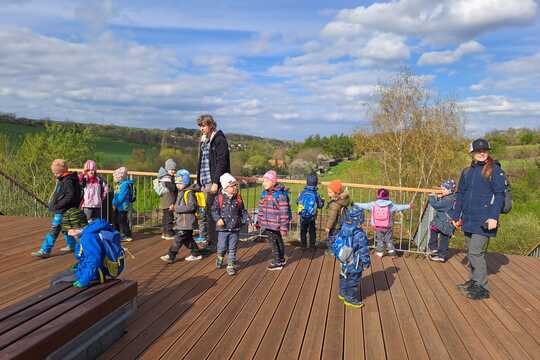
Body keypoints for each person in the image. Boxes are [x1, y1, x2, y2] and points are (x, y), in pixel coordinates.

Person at [450, 138, 506, 300]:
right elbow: (461, 194)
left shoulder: (495, 170)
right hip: (468, 218)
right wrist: (456, 215)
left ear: (488, 152)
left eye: (485, 150)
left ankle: (482, 287)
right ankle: (474, 281)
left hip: (485, 220)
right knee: (472, 251)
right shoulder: (467, 171)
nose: (481, 153)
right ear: (472, 153)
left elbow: (499, 195)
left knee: (475, 253)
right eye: (478, 151)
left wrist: (494, 217)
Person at [50, 208, 123, 288]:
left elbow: (94, 261)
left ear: (76, 226)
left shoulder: (87, 238)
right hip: (92, 268)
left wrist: (83, 281)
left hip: (97, 273)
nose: (68, 233)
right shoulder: (90, 229)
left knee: (56, 281)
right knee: (58, 277)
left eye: (69, 230)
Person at [31, 159, 82, 258]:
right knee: (66, 228)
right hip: (65, 209)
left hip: (63, 210)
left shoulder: (68, 181)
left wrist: (58, 205)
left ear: (61, 172)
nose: (55, 175)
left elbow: (70, 196)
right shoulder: (68, 179)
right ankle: (72, 245)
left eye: (56, 173)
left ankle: (45, 250)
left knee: (54, 230)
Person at [196, 114, 230, 251]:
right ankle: (211, 241)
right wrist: (199, 180)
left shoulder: (219, 140)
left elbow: (222, 162)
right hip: (204, 181)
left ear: (210, 125)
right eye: (200, 126)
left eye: (203, 126)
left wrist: (216, 182)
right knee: (207, 212)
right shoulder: (205, 140)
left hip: (213, 181)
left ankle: (216, 243)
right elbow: (202, 162)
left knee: (214, 212)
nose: (201, 129)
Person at [355, 188, 412, 258]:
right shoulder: (391, 206)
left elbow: (363, 205)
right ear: (387, 196)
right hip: (388, 226)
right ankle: (392, 254)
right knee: (389, 240)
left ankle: (380, 253)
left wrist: (354, 204)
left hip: (377, 226)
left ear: (378, 196)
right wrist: (409, 206)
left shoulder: (373, 204)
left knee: (379, 240)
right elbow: (399, 207)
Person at [332, 205, 371, 308]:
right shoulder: (360, 234)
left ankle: (343, 293)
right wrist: (366, 262)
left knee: (344, 276)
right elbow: (363, 251)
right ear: (360, 219)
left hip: (344, 259)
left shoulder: (343, 228)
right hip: (355, 263)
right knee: (353, 280)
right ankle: (350, 298)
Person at [160, 169, 202, 263]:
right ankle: (196, 253)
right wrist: (174, 206)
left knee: (178, 239)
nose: (178, 185)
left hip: (186, 222)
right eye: (177, 183)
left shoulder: (189, 193)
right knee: (187, 239)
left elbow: (191, 207)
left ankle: (171, 255)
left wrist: (176, 208)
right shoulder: (182, 192)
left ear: (186, 182)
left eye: (180, 183)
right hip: (183, 221)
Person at [211, 173, 248, 276]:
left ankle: (230, 265)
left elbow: (242, 211)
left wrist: (244, 220)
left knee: (232, 249)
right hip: (223, 229)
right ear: (226, 187)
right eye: (233, 186)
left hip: (235, 229)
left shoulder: (238, 198)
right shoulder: (219, 198)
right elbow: (214, 210)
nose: (235, 187)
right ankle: (220, 256)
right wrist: (218, 219)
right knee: (222, 247)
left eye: (236, 185)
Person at [255, 170, 291, 271]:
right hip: (268, 223)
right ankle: (281, 259)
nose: (263, 183)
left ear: (273, 182)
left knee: (274, 242)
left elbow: (284, 213)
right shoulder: (264, 194)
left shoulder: (280, 195)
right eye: (263, 181)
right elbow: (261, 209)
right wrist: (259, 221)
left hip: (275, 224)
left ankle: (277, 261)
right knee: (277, 240)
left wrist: (284, 227)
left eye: (266, 181)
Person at [427, 179, 457, 262]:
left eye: (444, 189)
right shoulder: (452, 198)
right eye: (441, 189)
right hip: (448, 222)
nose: (442, 191)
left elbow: (437, 205)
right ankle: (441, 255)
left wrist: (432, 197)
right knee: (444, 239)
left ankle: (433, 247)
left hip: (444, 222)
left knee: (433, 228)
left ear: (450, 190)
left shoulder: (448, 200)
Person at [296, 174, 325, 248]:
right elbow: (320, 205)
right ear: (316, 183)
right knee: (312, 231)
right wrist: (323, 201)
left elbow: (297, 202)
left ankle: (303, 245)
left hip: (303, 216)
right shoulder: (316, 194)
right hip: (312, 216)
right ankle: (312, 246)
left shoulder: (302, 193)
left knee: (303, 231)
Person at [324, 180, 350, 255]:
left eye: (330, 192)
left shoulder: (335, 204)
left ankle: (331, 251)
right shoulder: (343, 200)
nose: (328, 193)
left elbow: (332, 217)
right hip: (341, 223)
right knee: (339, 238)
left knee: (332, 238)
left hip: (335, 225)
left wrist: (328, 227)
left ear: (336, 192)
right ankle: (339, 250)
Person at [156, 159, 178, 240]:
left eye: (174, 169)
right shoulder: (167, 178)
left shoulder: (163, 177)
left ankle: (165, 232)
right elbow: (172, 189)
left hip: (164, 200)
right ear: (167, 169)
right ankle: (169, 233)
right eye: (171, 169)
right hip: (168, 200)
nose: (173, 171)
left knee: (165, 216)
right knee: (169, 217)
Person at [111, 167, 134, 242]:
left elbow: (121, 197)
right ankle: (117, 234)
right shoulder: (121, 184)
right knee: (117, 220)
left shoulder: (124, 185)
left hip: (122, 206)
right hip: (119, 206)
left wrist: (114, 203)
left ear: (120, 177)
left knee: (122, 221)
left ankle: (127, 235)